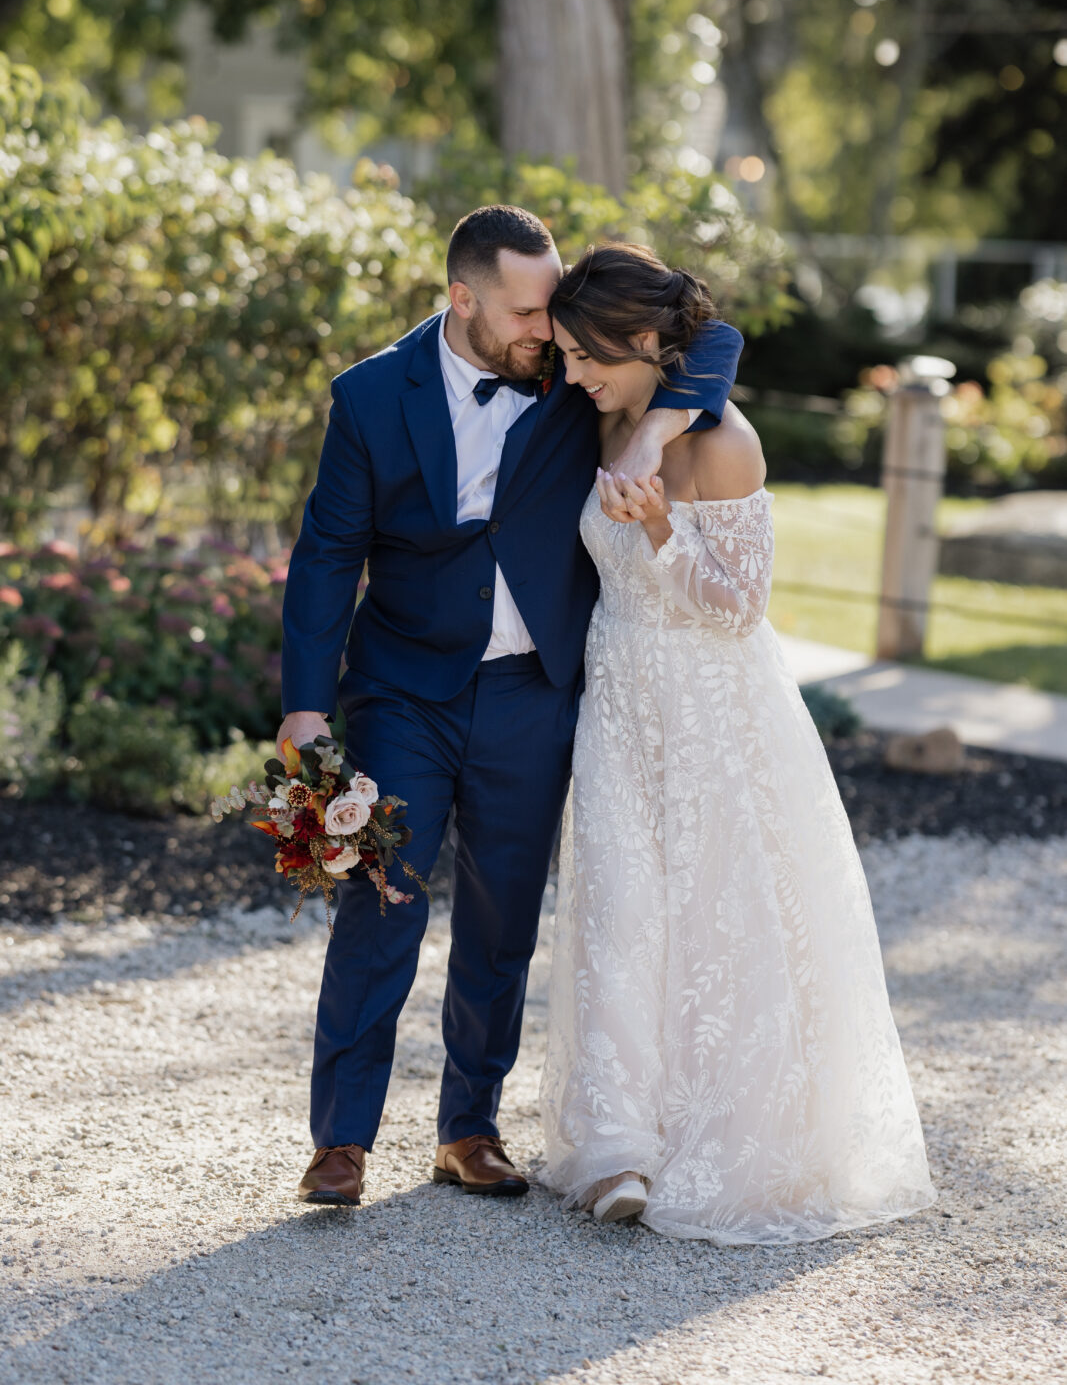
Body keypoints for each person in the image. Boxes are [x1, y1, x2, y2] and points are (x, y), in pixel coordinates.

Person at [278, 207, 744, 1206]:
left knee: (502, 914)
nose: (549, 332)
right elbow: (326, 554)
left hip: (536, 688)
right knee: (382, 895)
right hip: (404, 687)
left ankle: (469, 1128)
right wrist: (305, 711)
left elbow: (711, 337)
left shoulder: (570, 375)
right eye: (529, 313)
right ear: (463, 299)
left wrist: (651, 432)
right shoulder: (368, 397)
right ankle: (341, 1139)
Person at [539, 242, 935, 1240]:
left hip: (711, 708)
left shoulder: (722, 443)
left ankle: (714, 1132)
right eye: (564, 354)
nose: (570, 373)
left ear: (643, 342)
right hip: (618, 701)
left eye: (587, 355)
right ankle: (615, 1143)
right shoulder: (614, 416)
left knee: (718, 916)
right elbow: (703, 337)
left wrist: (665, 531)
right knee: (616, 906)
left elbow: (740, 607)